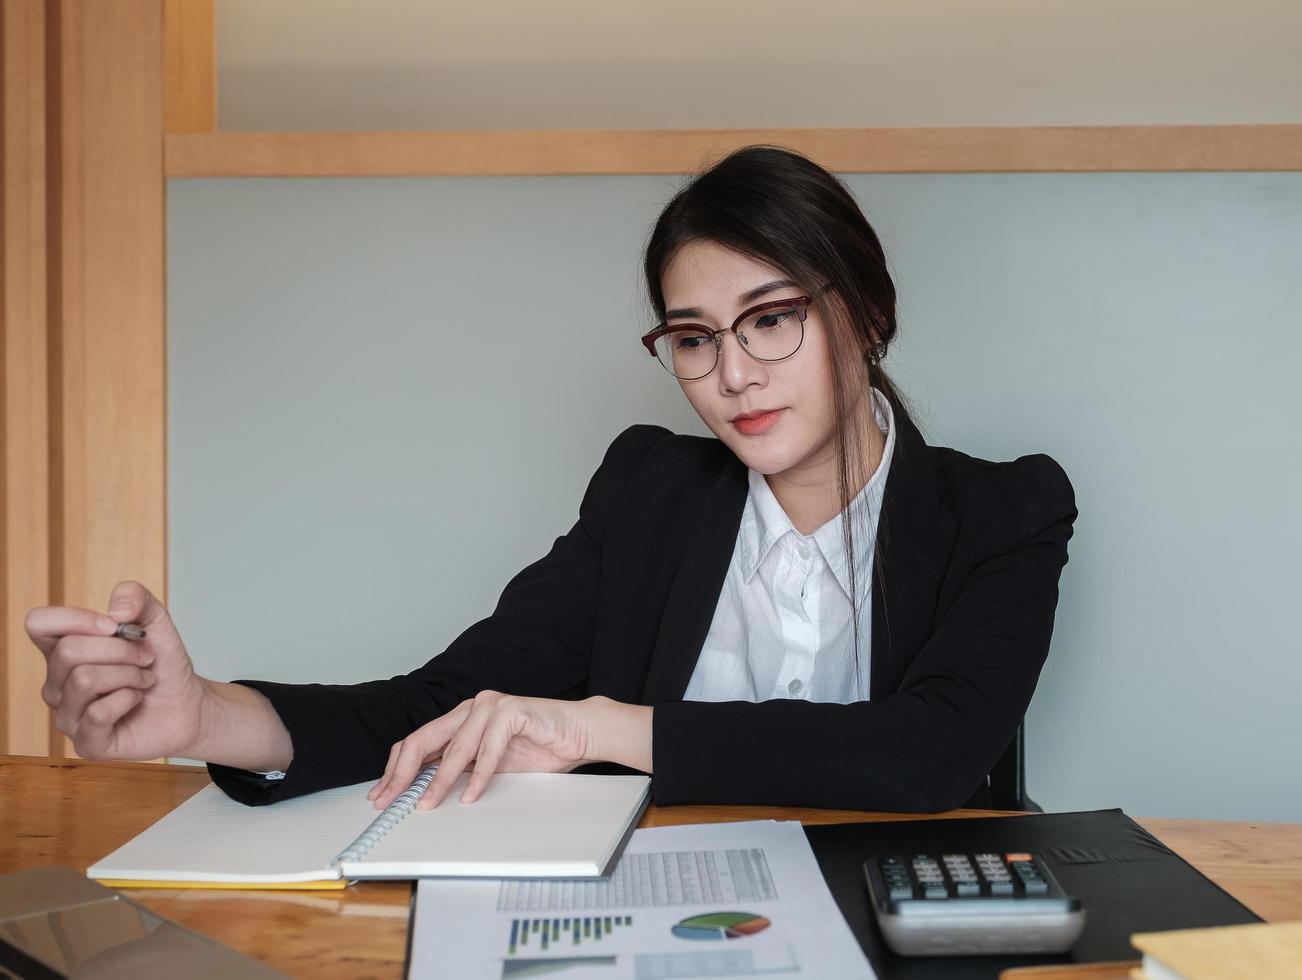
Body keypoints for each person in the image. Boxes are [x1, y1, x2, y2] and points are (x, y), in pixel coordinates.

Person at [25, 145, 1076, 814]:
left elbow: (932, 752)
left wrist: (599, 726)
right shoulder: (650, 490)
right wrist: (204, 715)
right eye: (694, 337)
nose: (734, 372)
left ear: (866, 310)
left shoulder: (1004, 508)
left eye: (771, 318)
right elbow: (447, 700)